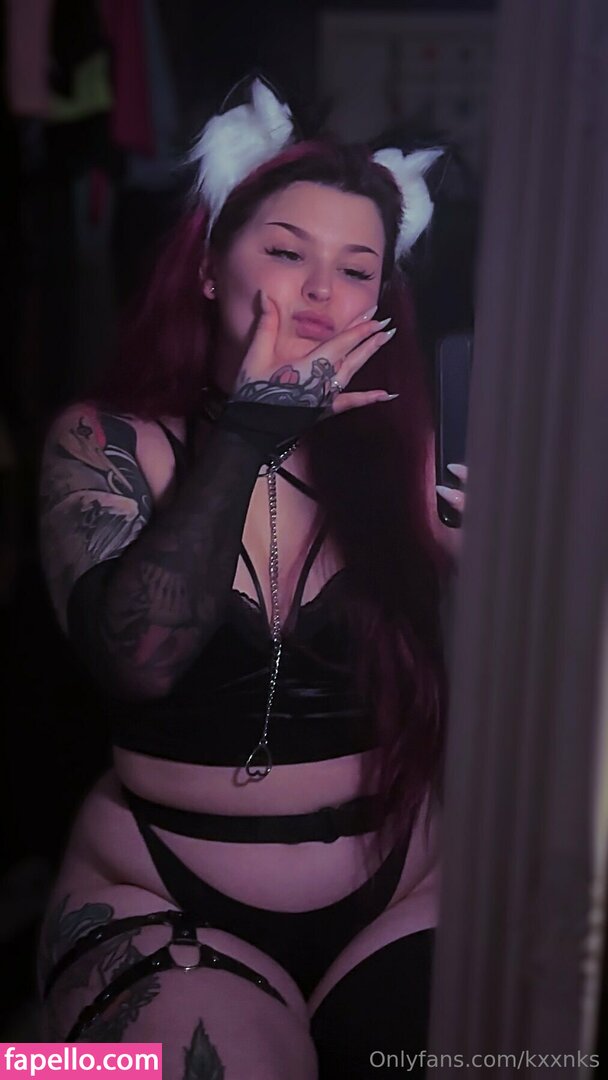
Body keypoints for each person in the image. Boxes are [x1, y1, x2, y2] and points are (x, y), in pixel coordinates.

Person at [37, 77, 467, 1078]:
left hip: (404, 891)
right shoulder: (102, 442)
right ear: (206, 268)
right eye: (284, 252)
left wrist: (489, 587)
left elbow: (535, 727)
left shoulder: (411, 464)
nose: (320, 292)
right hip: (157, 894)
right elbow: (137, 659)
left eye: (355, 269)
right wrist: (246, 434)